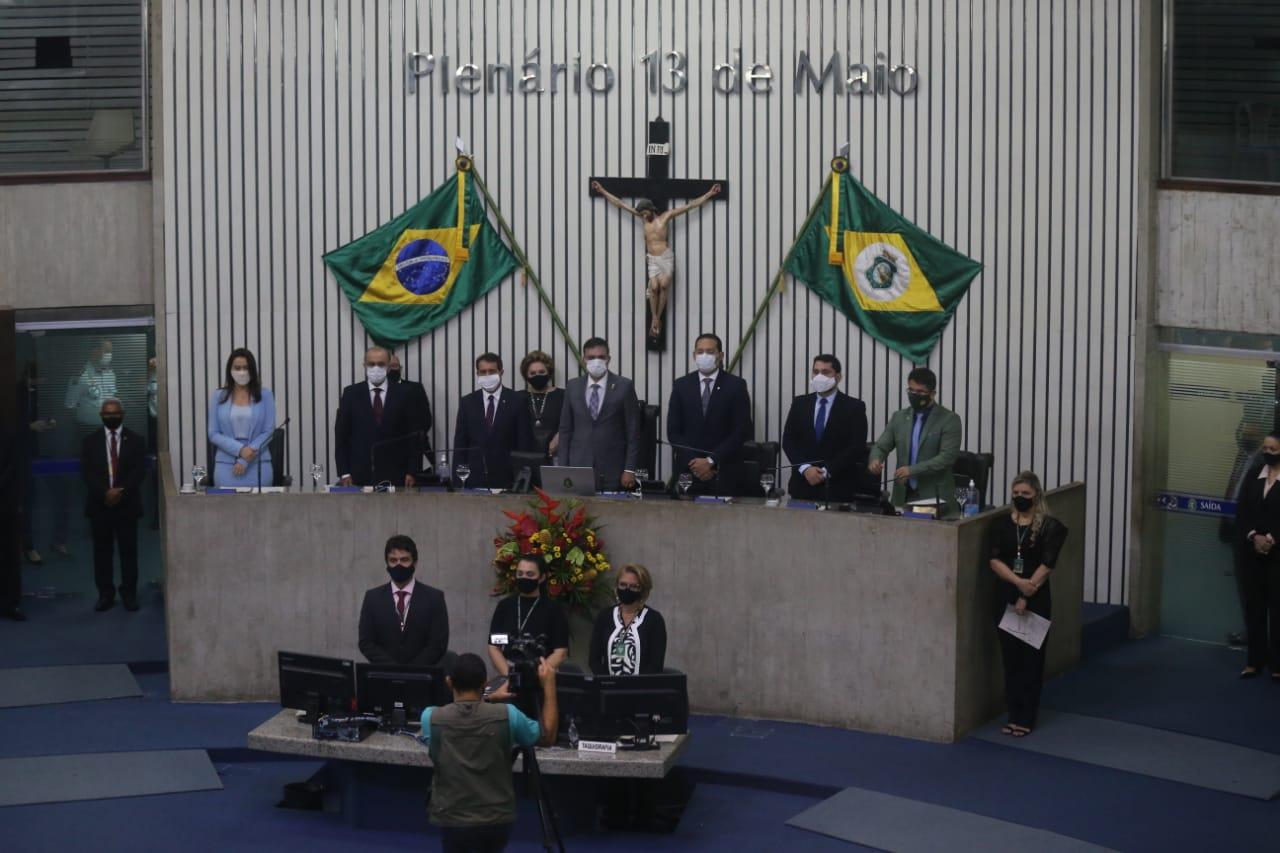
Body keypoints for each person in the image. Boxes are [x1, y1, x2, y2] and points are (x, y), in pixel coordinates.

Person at [419, 653, 557, 852]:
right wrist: (549, 686)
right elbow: (548, 735)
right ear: (484, 683)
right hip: (497, 818)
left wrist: (485, 696)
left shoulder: (430, 718)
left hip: (452, 817)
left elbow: (462, 708)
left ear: (449, 682)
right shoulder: (508, 715)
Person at [988, 471, 1068, 737]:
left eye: (1026, 494)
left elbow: (1047, 565)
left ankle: (1027, 716)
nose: (1020, 498)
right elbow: (994, 560)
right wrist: (1017, 583)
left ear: (1036, 496)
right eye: (1016, 493)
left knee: (1031, 661)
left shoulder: (1050, 526)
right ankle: (1012, 713)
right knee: (1010, 660)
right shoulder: (1001, 524)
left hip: (1036, 598)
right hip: (1006, 595)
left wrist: (1027, 591)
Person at [591, 180, 721, 339]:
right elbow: (620, 204)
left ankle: (657, 317)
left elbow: (690, 206)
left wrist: (709, 194)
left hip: (665, 256)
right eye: (642, 213)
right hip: (652, 258)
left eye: (645, 212)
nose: (643, 215)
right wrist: (602, 191)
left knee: (664, 285)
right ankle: (655, 318)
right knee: (654, 287)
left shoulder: (666, 217)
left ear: (651, 209)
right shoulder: (643, 219)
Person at [666, 333, 752, 496]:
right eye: (700, 351)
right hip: (688, 472)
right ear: (694, 355)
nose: (704, 356)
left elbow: (742, 430)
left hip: (724, 472)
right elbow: (673, 431)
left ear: (721, 355)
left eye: (710, 352)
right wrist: (696, 464)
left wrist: (711, 461)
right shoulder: (681, 385)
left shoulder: (736, 386)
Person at [867, 367, 963, 515]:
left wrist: (912, 470)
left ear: (932, 394)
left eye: (920, 392)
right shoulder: (899, 417)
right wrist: (875, 459)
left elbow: (947, 457)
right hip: (902, 495)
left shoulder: (949, 419)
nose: (914, 395)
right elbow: (881, 446)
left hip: (935, 498)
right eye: (911, 391)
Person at [81, 397, 146, 612]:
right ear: (101, 416)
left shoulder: (136, 440)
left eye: (115, 413)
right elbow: (87, 472)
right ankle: (105, 594)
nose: (111, 417)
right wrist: (105, 493)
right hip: (100, 505)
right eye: (107, 414)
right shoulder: (90, 442)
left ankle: (129, 593)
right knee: (102, 553)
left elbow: (139, 471)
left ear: (122, 414)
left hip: (127, 505)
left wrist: (121, 491)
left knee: (129, 552)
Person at [556, 337, 641, 491]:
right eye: (591, 357)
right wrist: (563, 467)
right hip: (578, 465)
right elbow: (565, 429)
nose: (596, 361)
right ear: (584, 359)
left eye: (601, 357)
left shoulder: (624, 386)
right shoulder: (573, 386)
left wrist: (629, 469)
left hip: (613, 467)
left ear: (609, 359)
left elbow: (633, 431)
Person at [781, 354, 869, 502]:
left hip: (838, 487)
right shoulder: (800, 403)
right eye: (816, 371)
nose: (819, 376)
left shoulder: (854, 407)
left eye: (826, 372)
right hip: (802, 485)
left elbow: (856, 446)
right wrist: (805, 468)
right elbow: (788, 441)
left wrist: (827, 471)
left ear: (838, 377)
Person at [335, 346, 425, 487]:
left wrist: (412, 471)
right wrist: (344, 472)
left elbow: (415, 436)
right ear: (365, 366)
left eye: (381, 364)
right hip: (359, 474)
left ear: (389, 367)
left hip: (398, 474)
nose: (375, 368)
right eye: (371, 364)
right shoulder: (351, 394)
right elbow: (341, 437)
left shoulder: (406, 393)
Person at [358, 534, 450, 666]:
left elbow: (438, 644)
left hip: (421, 677)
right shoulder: (372, 598)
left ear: (415, 562)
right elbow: (366, 642)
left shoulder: (434, 598)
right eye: (393, 560)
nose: (398, 565)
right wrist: (394, 670)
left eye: (404, 559)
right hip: (384, 676)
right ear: (387, 563)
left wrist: (411, 671)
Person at [1235, 431, 1280, 681]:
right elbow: (1243, 512)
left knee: (1278, 610)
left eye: (1273, 449)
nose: (1267, 453)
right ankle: (1254, 662)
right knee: (1254, 609)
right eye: (1265, 448)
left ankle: (1277, 665)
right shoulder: (1254, 476)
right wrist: (1254, 536)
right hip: (1252, 555)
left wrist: (1272, 539)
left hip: (1278, 557)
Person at [453, 353, 532, 489]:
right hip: (475, 479)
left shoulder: (518, 400)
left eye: (492, 371)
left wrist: (523, 481)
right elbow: (460, 444)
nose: (487, 375)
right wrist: (458, 482)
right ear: (477, 373)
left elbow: (524, 443)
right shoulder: (467, 402)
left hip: (508, 479)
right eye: (483, 372)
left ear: (501, 372)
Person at [487, 555, 570, 677]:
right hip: (508, 677)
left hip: (542, 678)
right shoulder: (505, 606)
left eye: (530, 574)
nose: (524, 577)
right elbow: (494, 646)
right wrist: (510, 675)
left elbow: (560, 652)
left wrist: (535, 675)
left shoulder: (553, 610)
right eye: (520, 574)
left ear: (541, 577)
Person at [207, 348, 276, 488]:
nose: (242, 372)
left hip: (259, 467)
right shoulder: (218, 396)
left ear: (252, 370)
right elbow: (213, 433)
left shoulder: (266, 395)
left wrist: (245, 459)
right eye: (237, 368)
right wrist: (240, 450)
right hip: (226, 467)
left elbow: (269, 431)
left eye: (246, 368)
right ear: (229, 370)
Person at [589, 564, 667, 676]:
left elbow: (655, 664)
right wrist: (607, 684)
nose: (627, 589)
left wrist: (636, 689)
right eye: (623, 585)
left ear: (643, 590)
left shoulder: (654, 620)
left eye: (634, 586)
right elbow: (594, 660)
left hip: (642, 690)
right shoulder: (604, 616)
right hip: (607, 688)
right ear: (616, 586)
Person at [515, 350, 564, 460]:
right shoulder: (518, 397)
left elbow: (571, 423)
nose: (537, 376)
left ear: (549, 372)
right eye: (532, 373)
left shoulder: (563, 395)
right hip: (525, 457)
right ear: (526, 376)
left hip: (556, 456)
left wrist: (560, 437)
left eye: (542, 372)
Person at [388, 352, 434, 459]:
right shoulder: (376, 392)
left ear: (400, 368)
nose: (392, 369)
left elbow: (426, 420)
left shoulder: (415, 388)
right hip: (385, 450)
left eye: (395, 366)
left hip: (415, 447)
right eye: (389, 366)